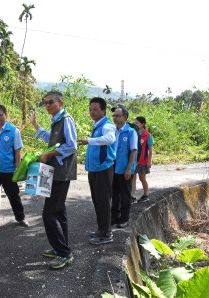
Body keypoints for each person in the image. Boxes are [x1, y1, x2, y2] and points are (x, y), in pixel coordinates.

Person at [30, 90, 77, 269]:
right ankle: (61, 249)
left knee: (48, 213)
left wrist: (49, 153)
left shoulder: (66, 120)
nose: (47, 105)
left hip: (62, 172)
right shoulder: (56, 120)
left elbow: (71, 145)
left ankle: (64, 253)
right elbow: (52, 139)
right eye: (46, 103)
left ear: (61, 103)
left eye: (51, 102)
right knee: (58, 212)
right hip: (56, 171)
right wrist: (36, 126)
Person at [0, 104, 28, 231]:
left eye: (0, 115)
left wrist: (18, 170)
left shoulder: (14, 131)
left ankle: (20, 218)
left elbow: (17, 152)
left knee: (13, 195)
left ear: (5, 115)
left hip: (8, 170)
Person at [78, 97, 116, 245]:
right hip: (94, 169)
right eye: (90, 109)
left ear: (103, 111)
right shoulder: (96, 125)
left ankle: (106, 234)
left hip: (103, 169)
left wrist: (89, 140)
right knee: (97, 201)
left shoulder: (107, 126)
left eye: (95, 109)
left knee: (103, 202)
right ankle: (101, 228)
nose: (92, 112)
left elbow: (109, 139)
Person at [110, 104, 137, 229]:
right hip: (112, 166)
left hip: (124, 167)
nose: (114, 118)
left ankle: (124, 218)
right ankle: (114, 217)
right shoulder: (112, 130)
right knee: (114, 194)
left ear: (125, 117)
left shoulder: (131, 132)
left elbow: (133, 151)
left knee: (125, 194)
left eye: (117, 115)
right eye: (113, 115)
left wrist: (128, 168)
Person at [131, 116, 154, 203]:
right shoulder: (134, 133)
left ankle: (146, 194)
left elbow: (150, 150)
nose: (135, 124)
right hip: (134, 160)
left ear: (143, 124)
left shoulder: (148, 135)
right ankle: (132, 196)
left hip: (143, 161)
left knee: (142, 178)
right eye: (134, 122)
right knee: (133, 177)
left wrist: (149, 161)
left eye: (137, 123)